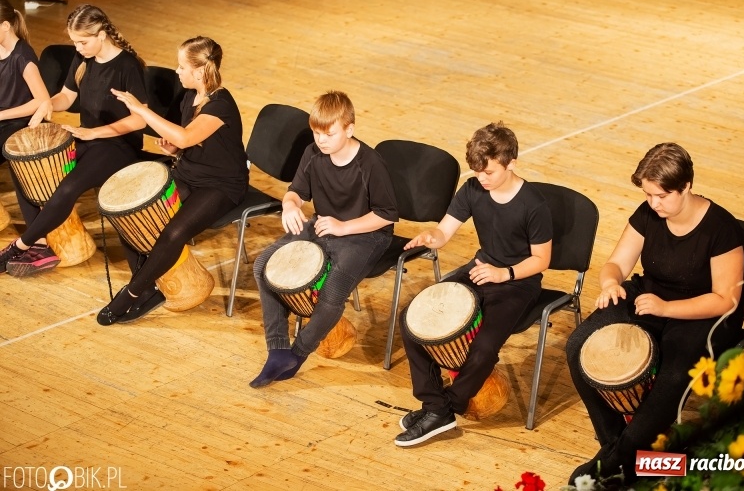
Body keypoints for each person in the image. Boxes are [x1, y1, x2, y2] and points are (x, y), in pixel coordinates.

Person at [565, 142, 744, 485]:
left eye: (661, 196)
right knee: (578, 346)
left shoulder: (721, 229)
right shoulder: (649, 213)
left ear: (686, 186)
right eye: (648, 195)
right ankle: (618, 448)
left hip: (704, 313)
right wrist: (610, 283)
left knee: (673, 376)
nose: (653, 203)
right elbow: (617, 263)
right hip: (650, 296)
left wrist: (666, 308)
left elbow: (726, 300)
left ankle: (614, 463)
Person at [394, 122, 553, 447]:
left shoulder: (533, 205)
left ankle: (448, 408)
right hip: (481, 269)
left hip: (518, 282)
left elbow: (541, 260)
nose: (482, 177)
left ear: (511, 163)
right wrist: (431, 236)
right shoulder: (473, 188)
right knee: (411, 318)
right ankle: (434, 405)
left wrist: (504, 274)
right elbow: (444, 231)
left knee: (483, 347)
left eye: (489, 172)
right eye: (477, 171)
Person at [249, 90, 398, 388]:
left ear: (349, 129)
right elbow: (296, 191)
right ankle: (277, 349)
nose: (321, 140)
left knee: (332, 293)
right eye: (317, 133)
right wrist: (290, 205)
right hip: (324, 225)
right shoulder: (313, 153)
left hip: (367, 235)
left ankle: (298, 352)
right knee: (263, 265)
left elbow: (387, 214)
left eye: (329, 134)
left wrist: (344, 227)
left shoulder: (370, 163)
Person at [96, 36, 249, 324]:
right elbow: (188, 141)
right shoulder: (190, 96)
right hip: (188, 172)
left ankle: (131, 294)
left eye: (181, 67)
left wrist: (143, 110)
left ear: (199, 72)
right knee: (132, 215)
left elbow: (187, 136)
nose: (177, 72)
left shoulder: (221, 105)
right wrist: (175, 149)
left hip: (221, 185)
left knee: (174, 233)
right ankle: (148, 286)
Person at [0, 4, 148, 278]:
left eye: (83, 42)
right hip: (86, 137)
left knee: (68, 187)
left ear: (101, 34)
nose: (78, 48)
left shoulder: (127, 65)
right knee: (25, 166)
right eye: (74, 42)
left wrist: (95, 133)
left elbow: (140, 120)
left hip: (118, 145)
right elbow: (67, 97)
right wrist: (47, 104)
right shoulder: (83, 58)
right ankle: (41, 243)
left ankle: (21, 246)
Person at [0, 0, 50, 163]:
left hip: (18, 122)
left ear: (5, 26)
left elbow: (41, 100)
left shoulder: (22, 57)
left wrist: (1, 115)